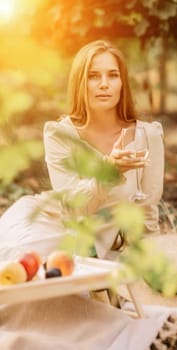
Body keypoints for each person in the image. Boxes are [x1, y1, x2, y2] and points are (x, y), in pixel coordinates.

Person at [0, 40, 165, 350]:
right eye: (93, 75)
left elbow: (148, 209)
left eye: (112, 75)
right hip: (47, 225)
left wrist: (151, 273)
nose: (104, 84)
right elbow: (73, 205)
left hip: (96, 246)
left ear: (122, 81)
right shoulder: (60, 134)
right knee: (21, 289)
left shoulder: (148, 136)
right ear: (80, 82)